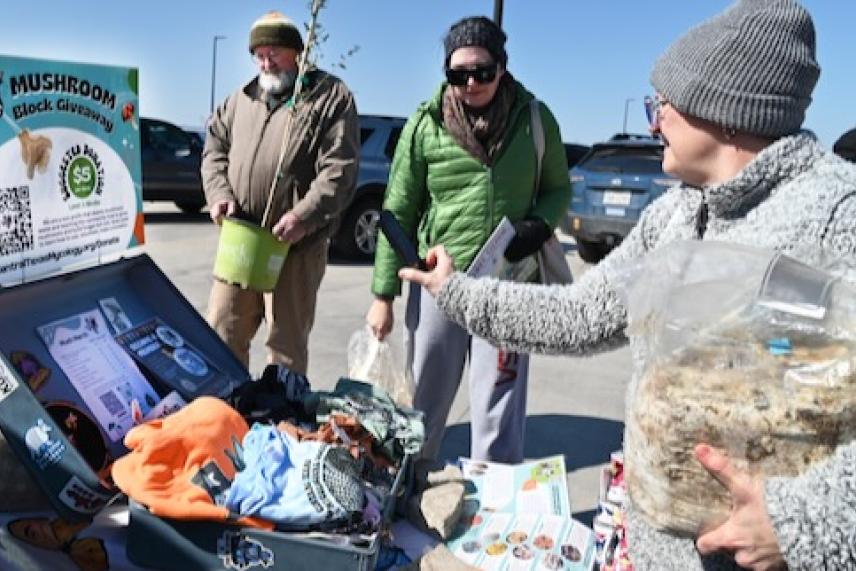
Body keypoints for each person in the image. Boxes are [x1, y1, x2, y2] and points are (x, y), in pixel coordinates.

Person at [398, 1, 856, 569]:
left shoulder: (836, 213)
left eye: (662, 106)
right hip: (658, 549)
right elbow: (582, 314)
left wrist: (797, 522)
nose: (652, 121)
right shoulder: (675, 215)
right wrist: (456, 291)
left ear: (722, 109)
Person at [366, 16, 571, 463]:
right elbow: (397, 209)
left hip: (509, 286)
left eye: (482, 71)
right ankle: (412, 493)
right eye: (458, 75)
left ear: (502, 67)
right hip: (440, 281)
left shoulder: (534, 119)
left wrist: (538, 224)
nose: (471, 83)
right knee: (423, 401)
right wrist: (383, 294)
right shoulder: (426, 125)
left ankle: (494, 509)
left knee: (500, 404)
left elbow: (559, 187)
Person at [202, 11, 359, 375]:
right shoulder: (239, 100)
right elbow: (214, 152)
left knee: (285, 344)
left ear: (297, 53)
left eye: (274, 51)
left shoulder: (328, 97)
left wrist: (304, 216)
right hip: (240, 240)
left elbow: (340, 168)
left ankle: (280, 422)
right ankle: (229, 413)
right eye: (259, 52)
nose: (265, 61)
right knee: (223, 329)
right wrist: (218, 194)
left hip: (294, 247)